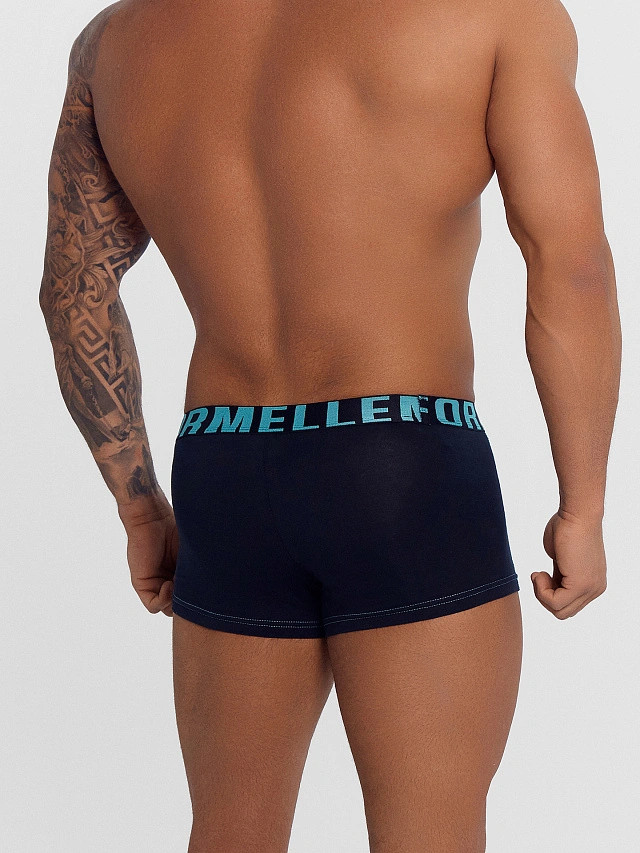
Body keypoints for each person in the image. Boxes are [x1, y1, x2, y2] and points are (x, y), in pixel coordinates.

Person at [39, 0, 621, 850]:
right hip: (403, 459)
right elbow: (571, 267)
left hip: (223, 469)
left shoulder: (117, 40)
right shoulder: (495, 13)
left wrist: (139, 507)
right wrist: (584, 505)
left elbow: (73, 291)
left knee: (230, 834)